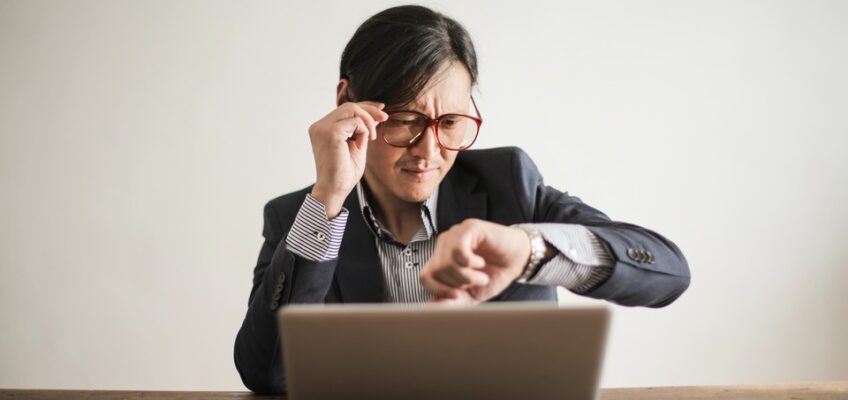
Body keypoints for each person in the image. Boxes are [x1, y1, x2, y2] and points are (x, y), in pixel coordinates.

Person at [234, 5, 690, 394]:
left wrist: (530, 252)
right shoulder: (298, 217)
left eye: (450, 122)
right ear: (347, 104)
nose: (429, 152)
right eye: (405, 120)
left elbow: (667, 272)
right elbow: (266, 374)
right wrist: (329, 200)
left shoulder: (508, 183)